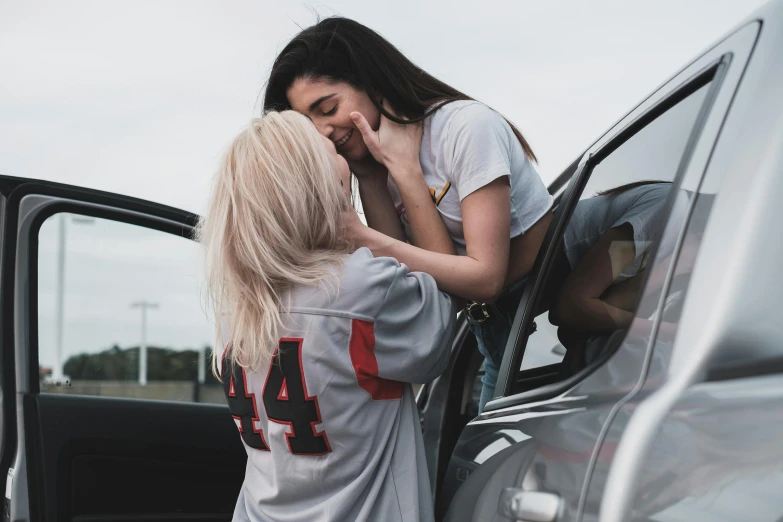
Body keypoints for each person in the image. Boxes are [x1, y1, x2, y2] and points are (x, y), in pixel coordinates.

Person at [264, 17, 554, 411]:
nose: (324, 131)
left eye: (328, 108)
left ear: (370, 80)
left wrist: (368, 230)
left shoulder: (465, 128)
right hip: (498, 333)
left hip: (549, 319)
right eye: (308, 123)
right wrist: (371, 174)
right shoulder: (373, 161)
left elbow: (483, 278)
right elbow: (417, 285)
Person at [197, 111, 456, 522]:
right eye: (330, 150)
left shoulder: (237, 304)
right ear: (314, 183)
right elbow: (445, 300)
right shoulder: (363, 288)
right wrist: (401, 172)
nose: (342, 151)